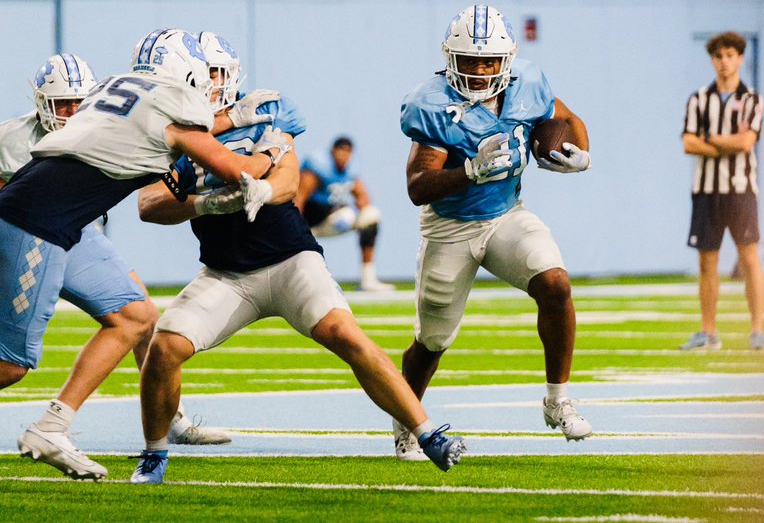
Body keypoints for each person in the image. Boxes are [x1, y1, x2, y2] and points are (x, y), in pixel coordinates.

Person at [134, 33, 465, 484]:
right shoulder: (172, 135)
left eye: (215, 73)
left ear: (229, 76)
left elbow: (289, 182)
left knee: (346, 334)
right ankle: (154, 455)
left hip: (290, 260)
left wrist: (262, 187)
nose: (207, 83)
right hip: (226, 274)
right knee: (164, 347)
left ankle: (426, 432)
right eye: (201, 74)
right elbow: (149, 205)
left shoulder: (262, 113)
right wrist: (207, 203)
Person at [0, 28, 281, 479]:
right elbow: (236, 170)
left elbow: (171, 138)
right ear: (184, 72)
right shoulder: (175, 102)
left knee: (135, 316)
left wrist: (226, 123)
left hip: (61, 219)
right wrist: (273, 148)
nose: (210, 87)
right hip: (36, 222)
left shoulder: (115, 85)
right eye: (205, 76)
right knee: (10, 365)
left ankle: (53, 425)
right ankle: (51, 428)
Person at [394, 3, 592, 462]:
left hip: (506, 215)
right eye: (469, 60)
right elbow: (417, 187)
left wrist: (581, 154)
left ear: (506, 60)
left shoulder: (527, 82)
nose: (480, 71)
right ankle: (407, 419)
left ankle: (557, 400)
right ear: (450, 59)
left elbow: (566, 118)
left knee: (555, 283)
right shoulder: (432, 103)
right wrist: (468, 170)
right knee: (431, 342)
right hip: (449, 227)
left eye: (488, 61)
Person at [679, 31, 764, 351]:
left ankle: (757, 330)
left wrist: (710, 140)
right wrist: (725, 144)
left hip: (742, 190)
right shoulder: (699, 99)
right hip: (706, 191)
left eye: (730, 55)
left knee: (749, 258)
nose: (724, 62)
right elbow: (688, 143)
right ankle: (708, 332)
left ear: (740, 58)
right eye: (718, 56)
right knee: (707, 262)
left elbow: (747, 142)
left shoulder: (752, 99)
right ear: (712, 60)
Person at [296, 136, 395, 292]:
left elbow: (363, 196)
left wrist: (360, 206)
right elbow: (299, 199)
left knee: (371, 216)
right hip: (310, 223)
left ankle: (368, 279)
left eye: (347, 152)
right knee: (346, 215)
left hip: (333, 221)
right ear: (332, 151)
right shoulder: (319, 166)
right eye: (340, 151)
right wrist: (297, 229)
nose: (344, 156)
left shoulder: (350, 170)